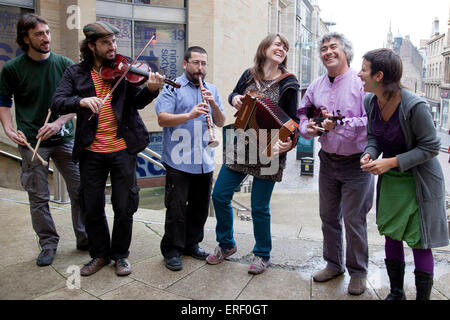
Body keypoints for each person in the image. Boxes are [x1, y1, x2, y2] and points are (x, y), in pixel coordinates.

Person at [51, 21, 163, 277]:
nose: (112, 47)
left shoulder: (123, 70)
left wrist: (151, 90)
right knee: (92, 205)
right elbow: (57, 102)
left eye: (114, 41)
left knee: (125, 205)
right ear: (91, 46)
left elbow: (136, 102)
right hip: (91, 151)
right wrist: (81, 101)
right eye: (106, 43)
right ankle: (99, 254)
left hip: (122, 148)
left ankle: (120, 255)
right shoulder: (75, 73)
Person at [358, 48, 449, 300]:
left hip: (420, 182)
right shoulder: (370, 101)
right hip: (392, 181)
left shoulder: (414, 106)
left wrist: (392, 162)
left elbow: (430, 147)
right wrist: (370, 153)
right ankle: (396, 293)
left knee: (420, 241)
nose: (359, 74)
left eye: (363, 69)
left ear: (378, 75)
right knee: (392, 234)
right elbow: (375, 136)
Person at [206, 34, 299, 275]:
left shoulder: (289, 83)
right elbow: (234, 94)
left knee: (259, 206)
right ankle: (227, 244)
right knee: (219, 194)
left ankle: (262, 254)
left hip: (269, 150)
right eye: (277, 44)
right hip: (240, 145)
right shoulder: (250, 74)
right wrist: (234, 98)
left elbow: (293, 122)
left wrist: (289, 144)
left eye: (285, 47)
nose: (282, 48)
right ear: (265, 47)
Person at [0, 14, 88, 267]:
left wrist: (59, 122)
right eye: (39, 34)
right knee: (38, 197)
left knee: (80, 189)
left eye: (47, 32)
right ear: (25, 38)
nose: (45, 38)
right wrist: (8, 129)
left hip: (65, 138)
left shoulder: (65, 65)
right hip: (31, 139)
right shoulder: (12, 69)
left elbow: (78, 104)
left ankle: (84, 238)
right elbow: (4, 102)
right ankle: (48, 244)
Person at [297, 32, 374, 295]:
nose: (328, 51)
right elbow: (302, 114)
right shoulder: (315, 85)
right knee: (328, 217)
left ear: (346, 53)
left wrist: (338, 124)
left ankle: (358, 272)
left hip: (356, 163)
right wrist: (310, 127)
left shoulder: (361, 83)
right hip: (327, 161)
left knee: (354, 220)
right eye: (324, 48)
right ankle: (333, 264)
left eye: (334, 47)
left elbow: (370, 122)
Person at [155, 46, 225, 271]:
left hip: (204, 159)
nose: (200, 68)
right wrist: (190, 114)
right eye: (196, 63)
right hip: (178, 159)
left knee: (200, 207)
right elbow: (163, 119)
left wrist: (213, 104)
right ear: (185, 64)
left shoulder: (211, 89)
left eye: (203, 63)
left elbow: (221, 121)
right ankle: (172, 250)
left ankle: (191, 244)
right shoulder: (171, 87)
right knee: (176, 208)